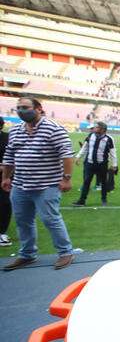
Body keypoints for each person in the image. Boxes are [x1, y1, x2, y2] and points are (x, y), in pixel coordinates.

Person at [1, 97, 75, 271]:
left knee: (51, 219)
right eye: (18, 107)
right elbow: (9, 157)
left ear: (39, 108)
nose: (21, 110)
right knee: (22, 221)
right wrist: (6, 177)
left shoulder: (53, 128)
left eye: (25, 107)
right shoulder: (16, 131)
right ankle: (27, 255)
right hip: (20, 184)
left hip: (46, 185)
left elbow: (66, 154)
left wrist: (66, 178)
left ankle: (65, 252)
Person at [72, 121, 117, 207]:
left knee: (103, 182)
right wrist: (78, 157)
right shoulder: (90, 136)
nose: (95, 128)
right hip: (90, 163)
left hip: (102, 164)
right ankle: (82, 200)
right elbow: (85, 147)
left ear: (102, 129)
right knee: (86, 181)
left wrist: (114, 164)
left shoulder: (109, 139)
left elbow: (113, 152)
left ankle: (104, 199)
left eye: (97, 127)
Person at [0, 117, 12, 246]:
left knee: (5, 204)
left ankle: (2, 232)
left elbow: (13, 156)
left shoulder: (8, 138)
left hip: (6, 177)